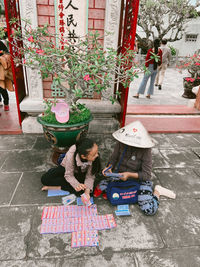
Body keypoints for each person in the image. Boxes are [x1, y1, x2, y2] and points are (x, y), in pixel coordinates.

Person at [94, 121, 176, 216]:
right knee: (101, 189)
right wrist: (109, 168)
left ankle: (157, 191)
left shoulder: (146, 150)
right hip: (119, 175)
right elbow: (113, 159)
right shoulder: (121, 143)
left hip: (138, 180)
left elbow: (146, 175)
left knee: (149, 209)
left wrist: (129, 175)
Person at [41, 137, 101, 204]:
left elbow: (90, 176)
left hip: (81, 172)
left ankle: (57, 187)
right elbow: (69, 175)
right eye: (94, 154)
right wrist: (76, 184)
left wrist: (86, 192)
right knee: (45, 179)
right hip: (66, 168)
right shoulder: (71, 155)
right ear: (83, 156)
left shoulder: (94, 158)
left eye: (97, 152)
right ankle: (63, 184)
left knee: (85, 191)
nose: (97, 155)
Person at [0, 39, 10, 111]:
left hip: (1, 68)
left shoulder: (0, 43)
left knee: (2, 86)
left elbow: (7, 53)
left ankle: (6, 103)